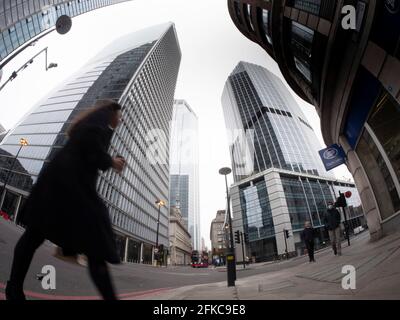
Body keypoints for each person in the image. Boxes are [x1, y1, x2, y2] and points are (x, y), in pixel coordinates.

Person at [6, 100, 126, 300]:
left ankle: (14, 288)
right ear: (111, 111)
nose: (121, 120)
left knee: (34, 236)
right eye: (120, 115)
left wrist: (108, 157)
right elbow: (90, 148)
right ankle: (14, 288)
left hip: (61, 184)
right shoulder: (98, 121)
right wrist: (111, 161)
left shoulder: (95, 122)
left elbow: (88, 147)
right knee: (95, 246)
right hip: (68, 186)